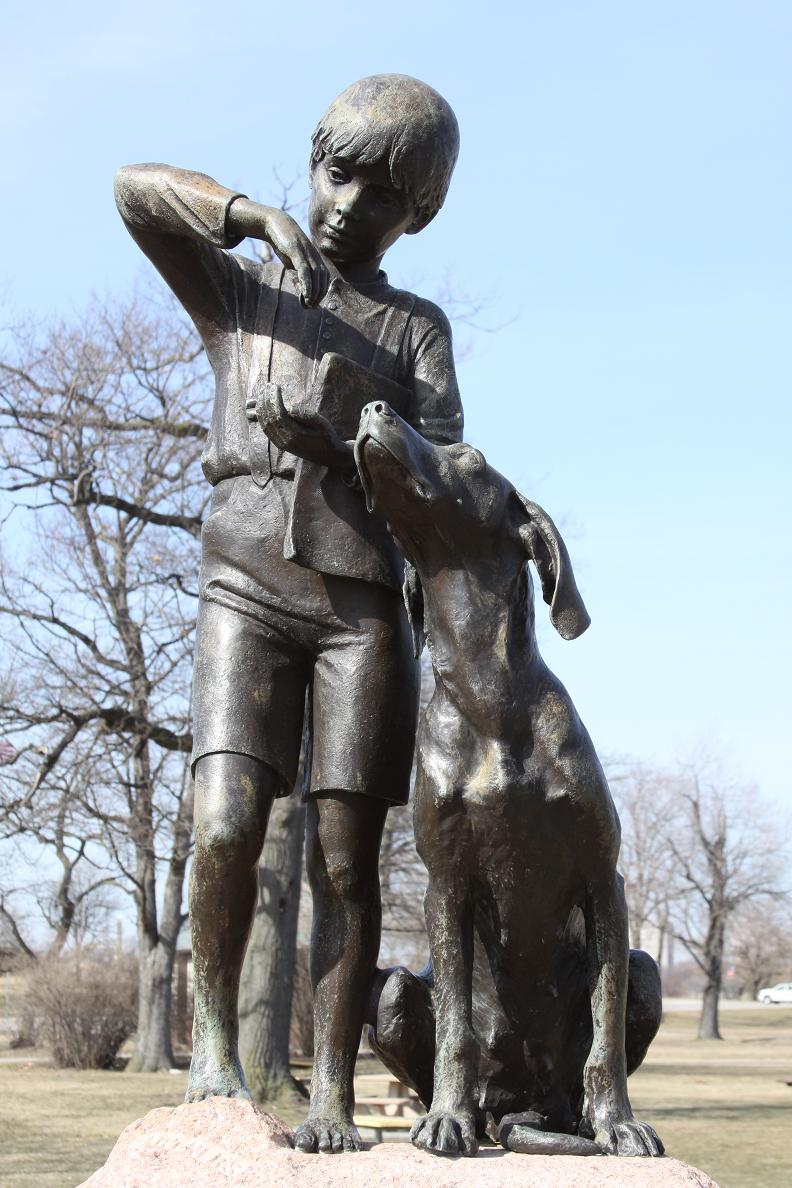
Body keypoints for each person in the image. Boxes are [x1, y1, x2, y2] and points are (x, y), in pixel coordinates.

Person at [114, 73, 462, 1153]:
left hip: (362, 609)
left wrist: (350, 433)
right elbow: (131, 191)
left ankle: (332, 1098)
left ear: (420, 213)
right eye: (334, 171)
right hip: (244, 584)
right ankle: (215, 1057)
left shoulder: (415, 330)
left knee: (345, 863)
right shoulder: (243, 292)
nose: (348, 203)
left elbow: (450, 479)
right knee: (223, 820)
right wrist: (249, 214)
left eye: (382, 192)